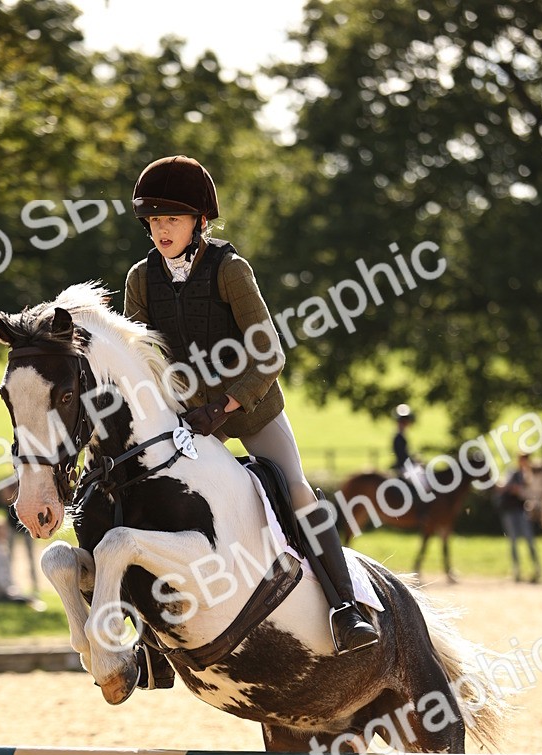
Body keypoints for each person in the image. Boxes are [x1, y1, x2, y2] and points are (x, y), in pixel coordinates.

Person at [125, 154, 379, 664]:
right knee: (153, 503)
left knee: (297, 490)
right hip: (186, 421)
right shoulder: (139, 278)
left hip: (251, 407)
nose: (160, 230)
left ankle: (345, 607)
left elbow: (269, 353)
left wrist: (222, 408)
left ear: (199, 221)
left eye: (170, 219)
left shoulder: (230, 270)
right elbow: (138, 359)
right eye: (153, 221)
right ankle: (151, 635)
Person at [0, 520, 46, 609]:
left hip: (1, 590)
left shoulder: (1, 548)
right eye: (1, 530)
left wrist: (14, 588)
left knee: (25, 597)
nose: (4, 533)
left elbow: (6, 574)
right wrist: (8, 590)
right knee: (21, 601)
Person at [497, 452, 541, 583]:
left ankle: (536, 568)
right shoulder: (513, 473)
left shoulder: (530, 476)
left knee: (529, 539)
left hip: (523, 510)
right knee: (513, 540)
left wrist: (520, 491)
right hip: (510, 510)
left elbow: (532, 493)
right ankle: (516, 570)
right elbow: (502, 486)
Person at [1, 480, 40, 595]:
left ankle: (35, 586)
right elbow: (6, 499)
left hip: (27, 526)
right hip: (12, 525)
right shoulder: (9, 484)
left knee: (30, 557)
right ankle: (9, 584)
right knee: (9, 556)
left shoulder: (28, 483)